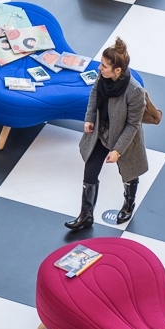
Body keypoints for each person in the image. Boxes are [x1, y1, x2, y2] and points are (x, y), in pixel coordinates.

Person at [65, 38, 148, 230]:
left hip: (124, 138)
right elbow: (94, 94)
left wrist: (118, 150)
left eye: (104, 66)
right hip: (101, 133)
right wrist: (89, 118)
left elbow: (133, 125)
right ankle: (86, 215)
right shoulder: (102, 77)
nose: (99, 68)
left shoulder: (135, 91)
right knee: (90, 171)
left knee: (129, 173)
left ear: (117, 70)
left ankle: (128, 204)